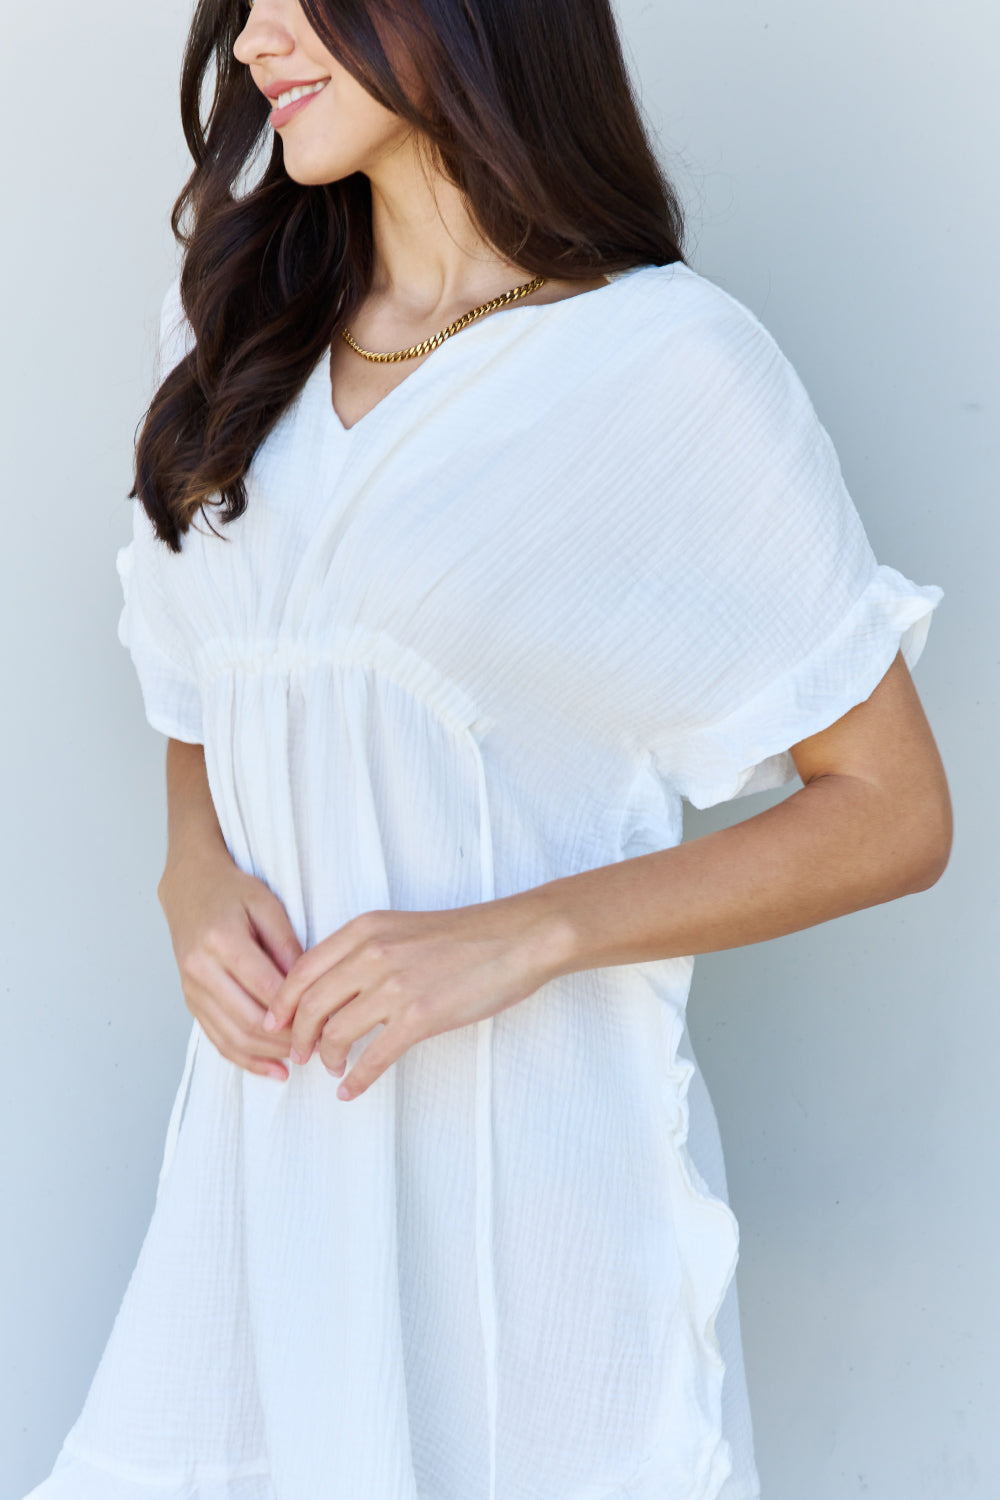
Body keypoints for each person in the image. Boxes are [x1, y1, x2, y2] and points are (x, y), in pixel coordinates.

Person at [25, 1, 951, 1497]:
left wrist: (519, 937)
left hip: (531, 1229)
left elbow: (895, 810)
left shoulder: (663, 369)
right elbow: (207, 686)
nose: (256, 36)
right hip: (260, 1201)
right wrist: (189, 875)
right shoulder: (229, 331)